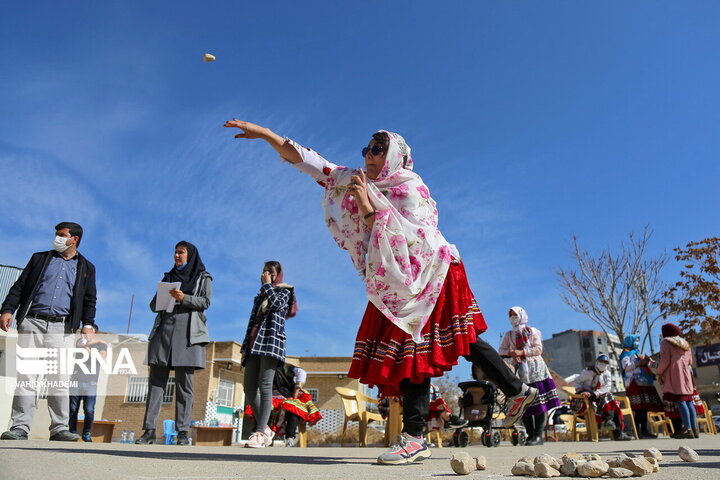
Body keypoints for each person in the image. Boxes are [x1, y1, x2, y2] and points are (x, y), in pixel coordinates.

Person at [224, 120, 537, 464]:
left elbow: (411, 237)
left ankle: (416, 436)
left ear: (394, 156)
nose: (369, 155)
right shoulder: (360, 181)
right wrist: (267, 136)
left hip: (433, 270)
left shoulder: (410, 188)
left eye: (377, 149)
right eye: (366, 149)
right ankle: (516, 390)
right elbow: (315, 164)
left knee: (421, 343)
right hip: (396, 279)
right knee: (446, 341)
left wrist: (369, 208)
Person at [1, 222, 96, 442]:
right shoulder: (40, 259)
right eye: (56, 235)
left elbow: (90, 299)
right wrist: (7, 310)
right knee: (28, 377)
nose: (57, 239)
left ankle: (60, 428)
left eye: (62, 235)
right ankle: (20, 427)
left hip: (62, 328)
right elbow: (19, 287)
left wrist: (88, 324)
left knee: (59, 379)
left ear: (75, 239)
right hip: (33, 323)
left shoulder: (86, 267)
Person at [136, 241, 212, 445]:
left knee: (184, 386)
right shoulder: (167, 277)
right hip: (164, 330)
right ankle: (149, 430)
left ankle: (182, 432)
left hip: (187, 332)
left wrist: (184, 297)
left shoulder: (202, 277)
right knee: (155, 384)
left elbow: (205, 302)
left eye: (181, 252)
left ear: (191, 255)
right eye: (175, 252)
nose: (177, 256)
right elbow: (153, 306)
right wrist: (163, 296)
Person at [241, 261, 297, 448]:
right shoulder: (259, 297)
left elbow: (277, 306)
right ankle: (265, 429)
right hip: (254, 343)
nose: (266, 275)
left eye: (270, 272)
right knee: (248, 387)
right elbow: (252, 321)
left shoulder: (285, 291)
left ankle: (259, 431)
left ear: (278, 275)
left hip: (271, 342)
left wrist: (267, 285)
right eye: (264, 271)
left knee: (265, 386)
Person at [498, 306, 560, 445]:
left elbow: (538, 349)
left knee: (539, 402)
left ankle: (538, 436)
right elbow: (501, 350)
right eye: (511, 315)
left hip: (535, 370)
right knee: (523, 402)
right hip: (520, 371)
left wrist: (522, 352)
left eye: (515, 314)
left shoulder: (532, 331)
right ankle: (530, 435)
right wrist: (512, 352)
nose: (513, 317)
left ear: (522, 315)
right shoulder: (509, 335)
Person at [572, 354, 632, 441]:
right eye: (601, 362)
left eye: (605, 362)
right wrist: (582, 392)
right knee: (610, 399)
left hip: (600, 396)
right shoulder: (587, 371)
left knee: (612, 402)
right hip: (587, 397)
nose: (603, 364)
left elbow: (607, 387)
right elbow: (577, 382)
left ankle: (614, 428)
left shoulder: (607, 373)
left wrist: (597, 393)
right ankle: (611, 424)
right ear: (597, 362)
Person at [656, 323, 698, 439]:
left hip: (674, 374)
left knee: (680, 401)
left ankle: (687, 429)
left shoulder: (666, 342)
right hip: (686, 374)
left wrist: (658, 371)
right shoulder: (685, 342)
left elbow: (665, 360)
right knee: (689, 401)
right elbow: (690, 361)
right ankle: (694, 429)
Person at [68, 324, 108, 442]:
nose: (83, 335)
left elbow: (100, 358)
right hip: (76, 380)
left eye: (86, 333)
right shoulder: (79, 342)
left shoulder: (101, 345)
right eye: (82, 332)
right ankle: (72, 432)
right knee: (73, 408)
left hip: (91, 383)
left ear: (94, 333)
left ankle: (86, 433)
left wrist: (88, 349)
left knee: (89, 409)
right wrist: (86, 345)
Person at [619, 334, 663, 439]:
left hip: (644, 382)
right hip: (634, 383)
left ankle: (644, 430)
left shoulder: (638, 353)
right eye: (636, 340)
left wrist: (647, 362)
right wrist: (639, 363)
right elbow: (626, 367)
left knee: (644, 408)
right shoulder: (625, 354)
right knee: (639, 408)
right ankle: (637, 431)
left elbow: (645, 364)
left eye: (638, 340)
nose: (637, 342)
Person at [267, 363, 322, 447]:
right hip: (270, 398)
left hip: (288, 397)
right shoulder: (262, 368)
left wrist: (297, 389)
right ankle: (263, 437)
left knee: (293, 408)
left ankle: (290, 438)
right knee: (262, 407)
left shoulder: (285, 367)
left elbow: (302, 372)